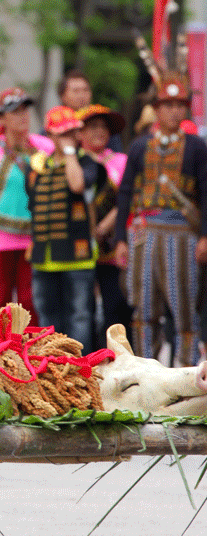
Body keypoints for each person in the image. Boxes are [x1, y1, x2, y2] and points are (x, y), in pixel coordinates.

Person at [115, 71, 207, 366]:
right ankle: (146, 371)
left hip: (183, 235)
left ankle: (187, 373)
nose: (174, 111)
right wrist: (120, 239)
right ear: (156, 109)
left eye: (179, 105)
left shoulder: (196, 147)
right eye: (167, 105)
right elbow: (125, 194)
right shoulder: (140, 146)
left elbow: (206, 194)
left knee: (185, 308)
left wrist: (204, 236)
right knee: (143, 309)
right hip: (144, 236)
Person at [0, 87, 53, 327]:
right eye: (15, 112)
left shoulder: (45, 147)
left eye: (25, 110)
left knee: (31, 301)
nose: (22, 116)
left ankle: (32, 349)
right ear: (1, 119)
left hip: (35, 239)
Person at [26, 106, 106, 354]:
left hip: (77, 256)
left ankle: (79, 366)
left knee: (79, 317)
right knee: (48, 320)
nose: (69, 138)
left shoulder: (87, 162)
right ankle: (51, 365)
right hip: (44, 257)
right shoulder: (38, 166)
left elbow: (77, 184)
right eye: (63, 134)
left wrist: (70, 153)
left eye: (72, 132)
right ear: (51, 135)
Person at [76, 104, 132, 346]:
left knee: (115, 307)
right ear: (79, 132)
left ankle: (117, 356)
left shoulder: (121, 161)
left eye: (103, 127)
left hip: (111, 248)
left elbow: (128, 198)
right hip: (78, 250)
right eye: (92, 126)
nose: (99, 131)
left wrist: (103, 227)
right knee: (82, 310)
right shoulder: (73, 162)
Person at [56, 69, 122, 152]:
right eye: (76, 91)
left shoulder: (104, 123)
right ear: (62, 96)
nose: (81, 95)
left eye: (85, 90)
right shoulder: (55, 127)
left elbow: (116, 153)